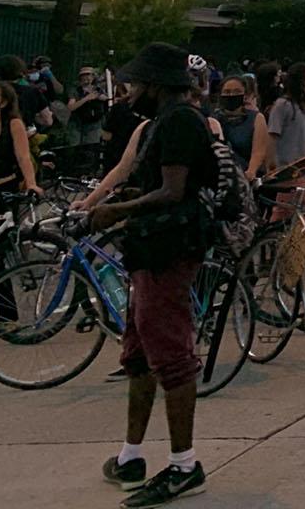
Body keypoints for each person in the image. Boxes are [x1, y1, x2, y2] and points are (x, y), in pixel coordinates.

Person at [89, 43, 217, 506]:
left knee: (170, 356)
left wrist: (115, 210)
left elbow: (172, 190)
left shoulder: (181, 120)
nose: (130, 92)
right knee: (140, 353)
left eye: (136, 85)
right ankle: (132, 455)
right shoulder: (164, 120)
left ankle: (184, 465)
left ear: (158, 86)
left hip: (170, 250)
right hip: (152, 250)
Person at [211, 76, 271, 181]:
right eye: (227, 92)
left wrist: (251, 172)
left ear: (244, 95)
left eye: (237, 91)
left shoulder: (256, 118)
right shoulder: (213, 119)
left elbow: (258, 151)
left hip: (247, 178)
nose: (231, 95)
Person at [0, 79, 41, 196]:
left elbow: (23, 157)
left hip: (4, 189)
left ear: (4, 102)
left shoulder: (13, 124)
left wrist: (31, 184)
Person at [267, 62, 305, 170]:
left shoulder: (302, 106)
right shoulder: (282, 105)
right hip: (283, 168)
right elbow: (272, 136)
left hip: (300, 167)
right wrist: (271, 165)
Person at [67, 64, 110, 152]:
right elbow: (70, 107)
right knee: (75, 149)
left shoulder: (98, 89)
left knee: (91, 150)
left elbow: (106, 99)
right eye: (84, 75)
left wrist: (99, 96)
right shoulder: (76, 90)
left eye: (89, 75)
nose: (87, 77)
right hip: (77, 124)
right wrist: (86, 98)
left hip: (94, 125)